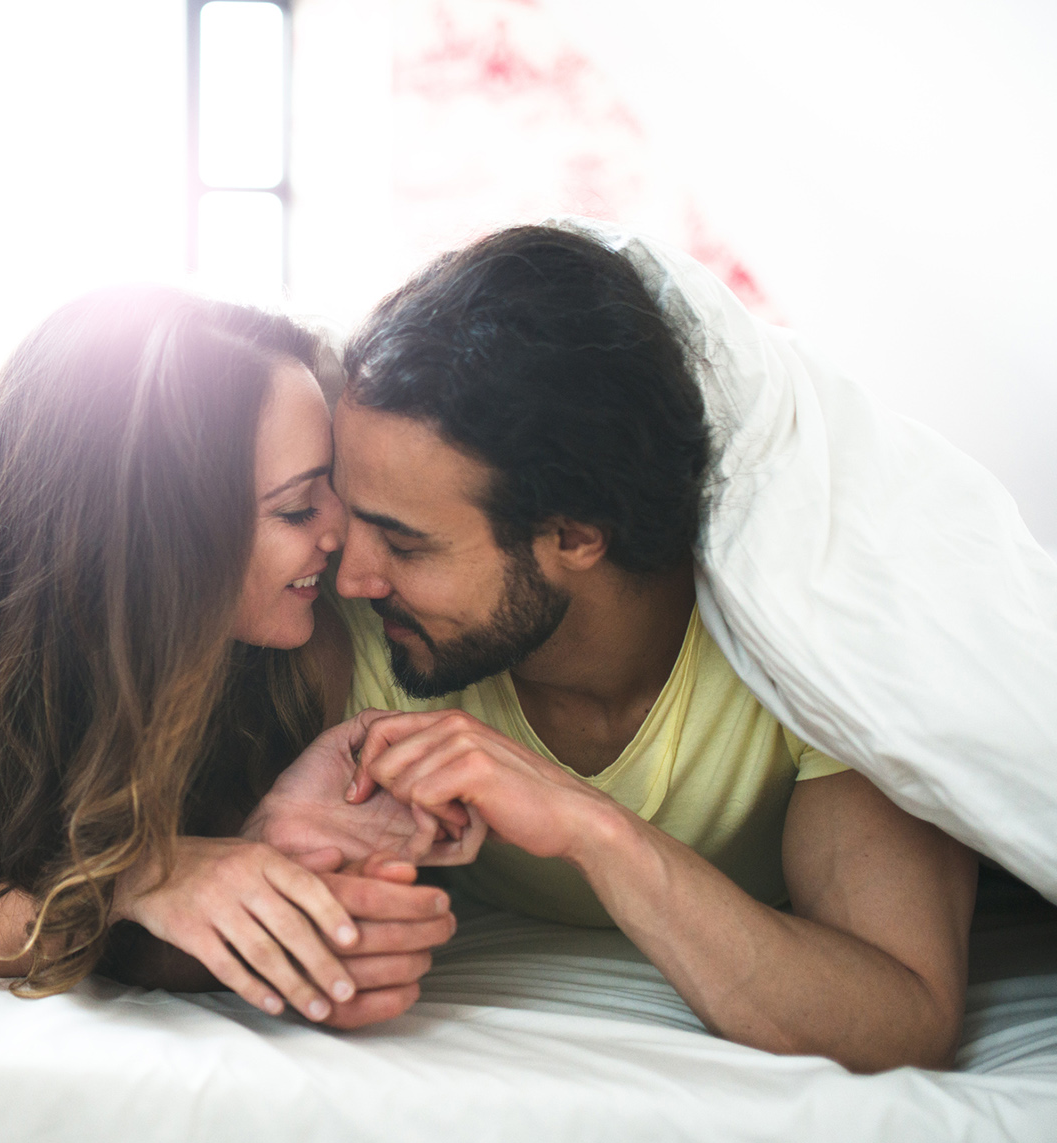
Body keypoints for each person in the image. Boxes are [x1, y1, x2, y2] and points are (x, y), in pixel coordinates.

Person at [248, 225, 979, 1071]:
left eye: (405, 546)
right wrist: (270, 845)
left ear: (575, 535)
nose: (353, 578)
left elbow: (902, 1023)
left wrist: (591, 828)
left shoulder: (804, 646)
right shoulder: (345, 634)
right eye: (350, 518)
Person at [0, 286, 468, 1031]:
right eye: (296, 507)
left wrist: (287, 887)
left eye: (332, 489)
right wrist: (134, 878)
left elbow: (156, 939)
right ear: (157, 531)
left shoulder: (301, 649)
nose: (342, 536)